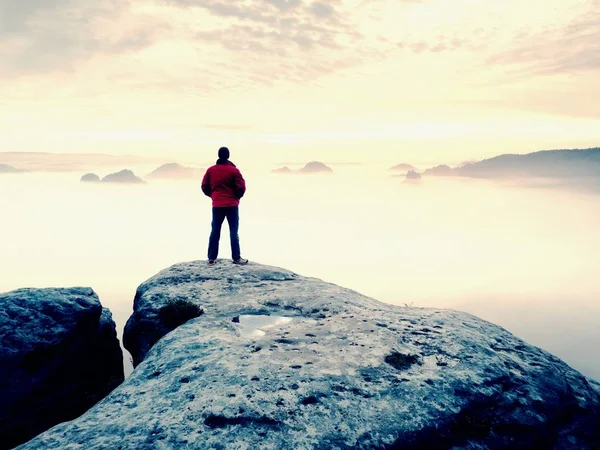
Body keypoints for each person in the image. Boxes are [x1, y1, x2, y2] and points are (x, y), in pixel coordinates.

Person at [201, 147, 248, 266]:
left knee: (215, 230)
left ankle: (211, 258)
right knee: (233, 231)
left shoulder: (211, 170)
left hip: (217, 205)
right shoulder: (234, 171)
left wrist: (213, 195)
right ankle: (236, 258)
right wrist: (237, 197)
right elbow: (241, 187)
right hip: (232, 205)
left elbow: (204, 186)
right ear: (228, 156)